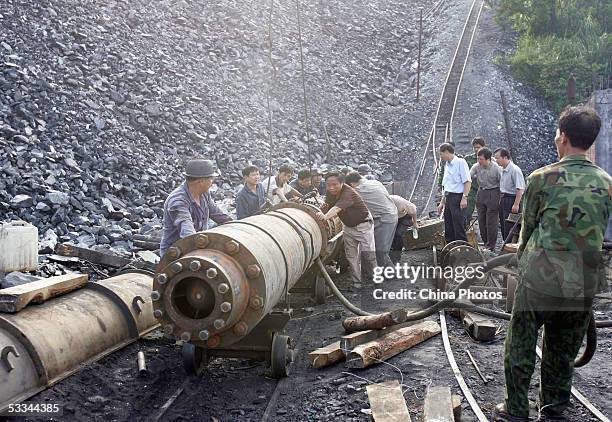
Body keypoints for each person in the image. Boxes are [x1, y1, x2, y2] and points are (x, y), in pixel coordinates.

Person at [493, 106, 611, 422]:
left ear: (562, 137)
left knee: (520, 344)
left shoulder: (541, 179)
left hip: (540, 278)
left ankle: (516, 410)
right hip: (584, 281)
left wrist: (522, 263)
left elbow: (528, 230)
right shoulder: (606, 183)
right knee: (562, 350)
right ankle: (554, 409)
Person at [160, 159, 232, 256]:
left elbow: (219, 215)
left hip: (197, 247)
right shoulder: (178, 201)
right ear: (201, 181)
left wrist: (236, 225)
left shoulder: (204, 194)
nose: (212, 182)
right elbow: (187, 232)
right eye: (211, 179)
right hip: (176, 255)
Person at [316, 172, 377, 285]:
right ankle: (356, 282)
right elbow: (327, 206)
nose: (331, 188)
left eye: (335, 185)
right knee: (351, 256)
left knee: (369, 254)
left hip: (363, 225)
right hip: (348, 227)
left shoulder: (348, 193)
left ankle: (376, 278)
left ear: (342, 183)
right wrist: (322, 211)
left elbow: (336, 209)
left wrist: (324, 217)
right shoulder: (330, 193)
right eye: (328, 185)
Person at [345, 171, 398, 267]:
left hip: (384, 219)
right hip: (392, 215)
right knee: (381, 249)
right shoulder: (375, 182)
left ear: (352, 184)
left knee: (379, 250)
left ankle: (390, 273)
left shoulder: (358, 190)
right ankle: (379, 271)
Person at [438, 137, 485, 227]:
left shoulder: (489, 160)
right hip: (471, 190)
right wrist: (440, 184)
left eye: (478, 147)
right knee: (466, 214)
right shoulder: (468, 159)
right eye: (474, 147)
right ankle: (466, 228)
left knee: (483, 214)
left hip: (484, 189)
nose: (476, 149)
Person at [437, 143, 472, 243]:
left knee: (458, 225)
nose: (441, 157)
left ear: (447, 152)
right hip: (449, 197)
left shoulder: (460, 162)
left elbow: (467, 181)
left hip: (458, 197)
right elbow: (446, 185)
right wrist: (442, 203)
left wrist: (464, 197)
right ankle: (451, 246)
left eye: (441, 154)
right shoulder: (446, 165)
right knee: (449, 224)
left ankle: (462, 248)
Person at [469, 147, 502, 251]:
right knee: (481, 219)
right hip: (481, 192)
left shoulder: (496, 168)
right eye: (478, 159)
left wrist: (500, 198)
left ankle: (491, 245)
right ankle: (485, 242)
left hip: (493, 192)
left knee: (491, 221)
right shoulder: (476, 166)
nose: (479, 161)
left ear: (488, 159)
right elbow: (468, 177)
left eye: (481, 159)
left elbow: (502, 183)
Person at [494, 148, 525, 242]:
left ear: (505, 157)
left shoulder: (515, 170)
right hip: (503, 198)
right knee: (503, 224)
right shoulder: (502, 169)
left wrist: (516, 204)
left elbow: (520, 188)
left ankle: (511, 245)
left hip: (511, 199)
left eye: (497, 158)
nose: (496, 160)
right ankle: (505, 244)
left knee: (511, 225)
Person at [389, 194, 418, 264]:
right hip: (394, 217)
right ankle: (391, 252)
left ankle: (397, 256)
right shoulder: (381, 203)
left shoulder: (397, 201)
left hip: (405, 216)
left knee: (398, 234)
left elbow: (413, 209)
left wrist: (415, 223)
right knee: (390, 235)